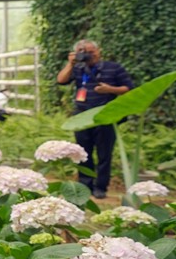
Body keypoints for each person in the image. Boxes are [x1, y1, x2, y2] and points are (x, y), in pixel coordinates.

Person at [56, 39, 133, 198]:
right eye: (84, 52)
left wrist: (109, 89)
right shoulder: (78, 68)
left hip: (106, 115)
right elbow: (61, 80)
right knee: (82, 152)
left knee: (105, 153)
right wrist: (70, 63)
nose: (89, 55)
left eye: (92, 52)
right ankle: (85, 185)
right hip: (82, 115)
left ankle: (101, 187)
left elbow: (128, 88)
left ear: (99, 51)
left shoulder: (114, 67)